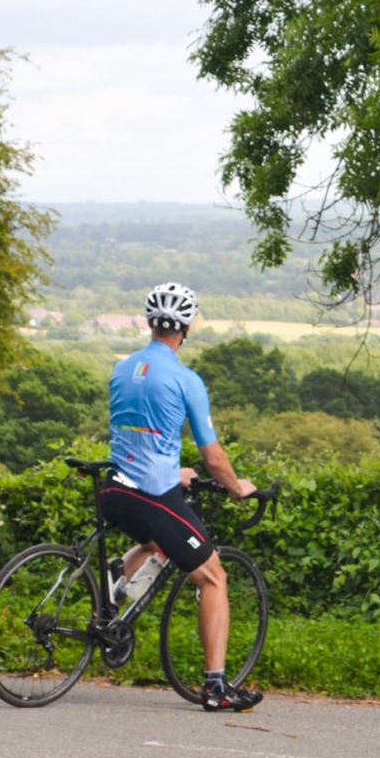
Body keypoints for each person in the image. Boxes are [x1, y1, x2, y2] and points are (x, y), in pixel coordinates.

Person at [100, 281, 263, 712]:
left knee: (161, 539)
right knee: (213, 577)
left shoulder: (122, 369)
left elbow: (137, 441)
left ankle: (119, 574)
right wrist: (237, 487)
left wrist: (176, 471)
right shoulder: (186, 380)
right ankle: (215, 687)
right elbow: (213, 456)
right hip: (152, 495)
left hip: (115, 489)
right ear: (186, 328)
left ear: (150, 323)